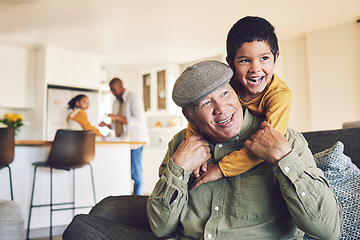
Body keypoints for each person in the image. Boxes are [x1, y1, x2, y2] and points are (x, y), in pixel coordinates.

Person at [147, 60, 342, 240]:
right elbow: (160, 227)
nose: (221, 108)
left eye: (225, 93)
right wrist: (178, 167)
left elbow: (328, 231)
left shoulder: (286, 140)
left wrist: (284, 159)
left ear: (236, 92)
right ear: (189, 116)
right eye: (206, 103)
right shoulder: (181, 144)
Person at [187, 16, 292, 180]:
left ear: (276, 58)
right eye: (245, 61)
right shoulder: (228, 86)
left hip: (251, 156)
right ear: (231, 64)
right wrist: (195, 152)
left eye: (264, 58)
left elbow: (268, 145)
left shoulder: (279, 95)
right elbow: (198, 115)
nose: (255, 69)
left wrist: (221, 169)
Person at [100, 77, 149, 195]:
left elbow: (138, 120)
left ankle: (138, 201)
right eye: (111, 90)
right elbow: (118, 125)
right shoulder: (115, 102)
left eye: (114, 89)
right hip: (123, 142)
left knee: (136, 175)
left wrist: (116, 117)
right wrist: (108, 125)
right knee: (124, 174)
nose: (113, 93)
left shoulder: (133, 97)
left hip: (135, 141)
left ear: (121, 86)